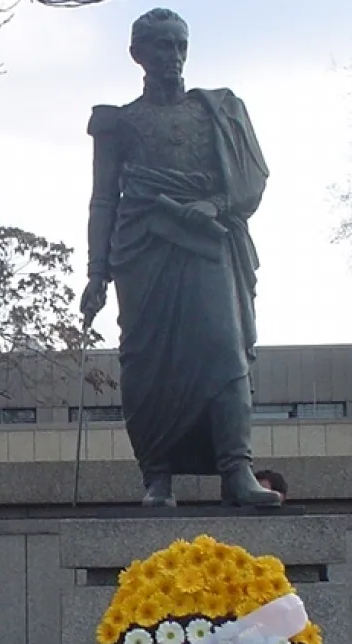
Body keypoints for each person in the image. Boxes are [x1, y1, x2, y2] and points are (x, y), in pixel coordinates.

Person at [80, 8, 282, 510]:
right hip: (143, 246)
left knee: (224, 349)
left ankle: (236, 469)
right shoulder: (118, 122)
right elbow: (103, 198)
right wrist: (96, 272)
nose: (172, 56)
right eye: (161, 46)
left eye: (179, 45)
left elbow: (250, 178)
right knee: (148, 362)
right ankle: (158, 476)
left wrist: (213, 205)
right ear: (138, 54)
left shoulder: (217, 110)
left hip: (206, 239)